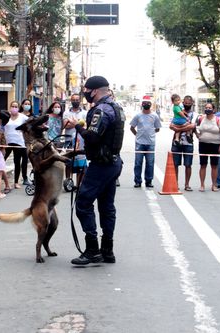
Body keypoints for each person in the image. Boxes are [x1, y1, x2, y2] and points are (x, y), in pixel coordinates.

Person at [68, 76, 124, 266]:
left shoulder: (101, 110)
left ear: (94, 90)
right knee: (107, 207)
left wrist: (78, 126)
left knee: (83, 204)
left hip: (102, 165)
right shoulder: (116, 107)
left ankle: (92, 249)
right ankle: (107, 250)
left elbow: (92, 137)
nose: (84, 94)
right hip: (113, 162)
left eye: (86, 90)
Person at [130, 97, 161, 188]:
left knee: (150, 163)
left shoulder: (155, 116)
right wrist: (137, 135)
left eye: (148, 103)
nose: (146, 104)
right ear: (142, 104)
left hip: (150, 143)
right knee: (138, 163)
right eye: (144, 103)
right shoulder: (138, 116)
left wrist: (150, 133)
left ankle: (149, 181)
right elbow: (132, 127)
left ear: (151, 104)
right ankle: (137, 181)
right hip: (139, 143)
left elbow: (158, 128)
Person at [196, 102, 220, 192]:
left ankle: (214, 185)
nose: (208, 109)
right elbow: (199, 132)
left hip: (215, 144)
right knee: (203, 165)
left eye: (210, 108)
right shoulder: (201, 119)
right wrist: (196, 133)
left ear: (214, 109)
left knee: (214, 166)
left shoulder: (218, 120)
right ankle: (202, 185)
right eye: (206, 107)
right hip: (203, 144)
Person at [169, 95, 197, 191]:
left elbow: (192, 126)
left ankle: (187, 184)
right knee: (175, 164)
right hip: (176, 142)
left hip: (188, 143)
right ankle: (175, 184)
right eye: (185, 103)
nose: (187, 104)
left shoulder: (195, 114)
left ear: (192, 103)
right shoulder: (177, 110)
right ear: (182, 102)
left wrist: (178, 129)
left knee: (188, 164)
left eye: (189, 103)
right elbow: (171, 126)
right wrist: (177, 128)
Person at [4, 100, 30, 188]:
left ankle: (16, 182)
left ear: (18, 108)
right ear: (10, 107)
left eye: (16, 107)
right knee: (1, 159)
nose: (14, 108)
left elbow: (30, 123)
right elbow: (0, 126)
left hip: (20, 142)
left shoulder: (23, 117)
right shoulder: (6, 116)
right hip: (7, 142)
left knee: (17, 161)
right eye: (12, 106)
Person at [63, 93, 87, 180]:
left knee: (80, 163)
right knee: (68, 162)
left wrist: (72, 123)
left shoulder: (85, 113)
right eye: (73, 100)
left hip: (81, 141)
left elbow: (86, 126)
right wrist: (78, 124)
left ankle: (78, 184)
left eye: (77, 100)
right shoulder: (66, 112)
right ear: (71, 101)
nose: (75, 101)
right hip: (68, 139)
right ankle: (68, 182)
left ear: (79, 101)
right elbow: (65, 125)